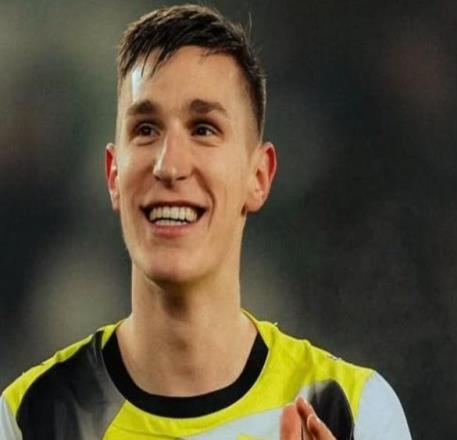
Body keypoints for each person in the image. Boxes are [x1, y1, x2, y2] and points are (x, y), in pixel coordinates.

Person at [0, 4, 412, 439]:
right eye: (146, 129)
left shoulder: (352, 411)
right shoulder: (28, 418)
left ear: (259, 177)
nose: (169, 165)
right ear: (113, 175)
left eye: (203, 129)